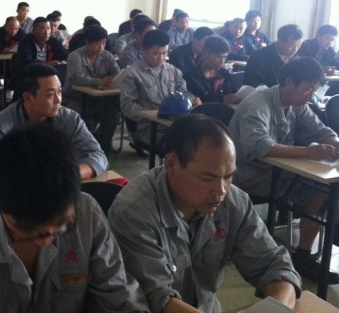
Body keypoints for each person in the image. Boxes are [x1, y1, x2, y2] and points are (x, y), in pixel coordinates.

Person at [0, 123, 149, 313]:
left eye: (59, 227)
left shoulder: (87, 214)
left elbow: (119, 296)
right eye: (30, 231)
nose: (45, 241)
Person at [109, 115, 301, 313]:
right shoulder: (134, 212)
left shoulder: (233, 201)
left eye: (228, 176)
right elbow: (159, 300)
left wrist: (276, 309)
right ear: (171, 164)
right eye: (207, 178)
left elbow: (275, 266)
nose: (221, 190)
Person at [229, 57, 339, 281]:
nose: (311, 96)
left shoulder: (298, 105)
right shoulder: (258, 103)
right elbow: (259, 146)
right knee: (322, 189)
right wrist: (309, 152)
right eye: (307, 89)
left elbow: (319, 130)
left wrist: (334, 143)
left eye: (314, 90)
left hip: (279, 173)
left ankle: (307, 252)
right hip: (249, 175)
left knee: (330, 190)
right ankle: (304, 256)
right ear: (289, 82)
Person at [0, 63, 108, 184]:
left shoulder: (70, 119)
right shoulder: (2, 124)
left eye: (59, 92)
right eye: (50, 95)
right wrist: (33, 178)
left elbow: (98, 156)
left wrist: (69, 173)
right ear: (28, 97)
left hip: (60, 187)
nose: (58, 100)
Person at [115, 29, 200, 148]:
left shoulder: (173, 70)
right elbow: (128, 108)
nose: (161, 58)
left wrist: (192, 99)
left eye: (165, 53)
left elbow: (184, 92)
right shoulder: (131, 74)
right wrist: (157, 114)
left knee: (200, 141)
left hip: (175, 123)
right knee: (185, 147)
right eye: (156, 54)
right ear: (143, 51)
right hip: (150, 128)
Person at [63, 25, 120, 154]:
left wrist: (113, 80)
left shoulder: (107, 56)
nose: (101, 47)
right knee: (76, 116)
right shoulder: (75, 56)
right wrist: (99, 81)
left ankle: (103, 147)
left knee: (112, 115)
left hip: (99, 97)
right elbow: (76, 78)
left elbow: (118, 74)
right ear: (87, 42)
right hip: (75, 97)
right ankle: (76, 148)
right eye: (97, 43)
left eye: (103, 43)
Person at [184, 35, 241, 104]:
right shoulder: (190, 77)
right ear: (205, 55)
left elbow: (234, 94)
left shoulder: (224, 74)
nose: (222, 61)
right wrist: (221, 102)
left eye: (224, 57)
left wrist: (236, 98)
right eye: (218, 57)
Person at [244, 23, 303, 88]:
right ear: (280, 41)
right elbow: (254, 85)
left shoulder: (297, 60)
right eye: (291, 47)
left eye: (298, 46)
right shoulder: (259, 58)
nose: (295, 50)